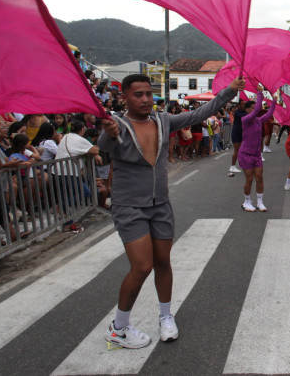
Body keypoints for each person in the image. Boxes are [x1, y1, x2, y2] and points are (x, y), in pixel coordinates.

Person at [98, 74, 243, 349]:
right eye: (138, 94)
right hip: (129, 207)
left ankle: (166, 317)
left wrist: (228, 92)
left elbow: (201, 112)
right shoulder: (117, 125)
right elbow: (104, 146)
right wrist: (108, 133)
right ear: (125, 97)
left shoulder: (163, 121)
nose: (144, 99)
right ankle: (118, 327)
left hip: (161, 205)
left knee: (163, 262)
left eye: (148, 94)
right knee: (142, 266)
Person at [239, 89, 276, 212]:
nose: (257, 109)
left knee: (259, 178)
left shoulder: (259, 121)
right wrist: (260, 94)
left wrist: (274, 101)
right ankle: (247, 201)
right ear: (248, 109)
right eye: (254, 108)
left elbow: (269, 114)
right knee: (249, 179)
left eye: (256, 107)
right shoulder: (245, 120)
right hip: (245, 154)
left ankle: (260, 202)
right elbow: (257, 110)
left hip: (256, 154)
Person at [229, 100, 246, 174]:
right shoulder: (238, 112)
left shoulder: (243, 112)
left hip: (241, 132)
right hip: (236, 133)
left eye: (244, 104)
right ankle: (232, 166)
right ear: (238, 105)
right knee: (236, 149)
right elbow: (244, 117)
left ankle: (241, 164)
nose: (243, 105)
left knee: (241, 150)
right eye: (242, 104)